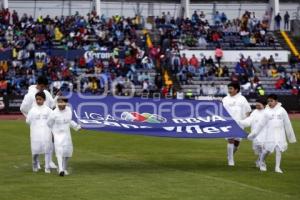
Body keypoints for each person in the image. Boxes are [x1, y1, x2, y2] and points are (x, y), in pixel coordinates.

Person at [248, 94, 296, 173]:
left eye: (271, 101)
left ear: (276, 101)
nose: (269, 103)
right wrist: (253, 134)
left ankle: (277, 167)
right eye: (268, 101)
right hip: (270, 133)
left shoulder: (282, 110)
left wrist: (291, 137)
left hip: (280, 133)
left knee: (278, 149)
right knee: (266, 150)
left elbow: (287, 123)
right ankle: (261, 161)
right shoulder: (266, 111)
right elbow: (260, 124)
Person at [20, 76, 59, 169]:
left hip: (47, 121)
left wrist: (57, 96)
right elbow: (23, 108)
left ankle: (49, 161)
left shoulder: (46, 93)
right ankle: (36, 162)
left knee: (50, 140)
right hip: (36, 122)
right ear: (38, 84)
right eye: (42, 86)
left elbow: (52, 104)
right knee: (36, 141)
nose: (44, 88)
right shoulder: (30, 95)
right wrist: (30, 117)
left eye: (45, 86)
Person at [47, 97, 81, 176]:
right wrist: (52, 133)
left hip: (67, 134)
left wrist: (77, 127)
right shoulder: (53, 113)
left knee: (67, 152)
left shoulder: (69, 110)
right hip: (57, 134)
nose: (60, 104)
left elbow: (69, 121)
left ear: (65, 103)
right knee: (59, 151)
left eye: (62, 102)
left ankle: (64, 168)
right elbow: (49, 124)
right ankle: (61, 169)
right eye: (58, 102)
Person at [222, 82, 251, 166]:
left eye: (231, 88)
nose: (229, 90)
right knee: (230, 140)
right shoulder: (225, 99)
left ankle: (230, 155)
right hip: (228, 123)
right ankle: (231, 160)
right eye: (229, 88)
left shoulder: (242, 99)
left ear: (236, 89)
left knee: (237, 142)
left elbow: (248, 111)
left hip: (239, 123)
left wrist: (247, 122)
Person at [26, 91, 53, 173]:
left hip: (46, 132)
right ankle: (35, 163)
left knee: (47, 150)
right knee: (35, 150)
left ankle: (47, 167)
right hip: (35, 133)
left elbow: (52, 121)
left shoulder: (48, 110)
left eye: (40, 99)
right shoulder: (32, 110)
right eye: (37, 99)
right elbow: (28, 121)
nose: (38, 101)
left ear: (44, 100)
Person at [238, 98, 267, 168]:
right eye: (256, 105)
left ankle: (260, 161)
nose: (257, 106)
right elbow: (249, 121)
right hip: (256, 133)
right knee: (260, 149)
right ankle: (261, 162)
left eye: (259, 105)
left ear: (264, 105)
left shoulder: (268, 112)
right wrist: (239, 121)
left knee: (266, 149)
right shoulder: (254, 112)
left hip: (266, 133)